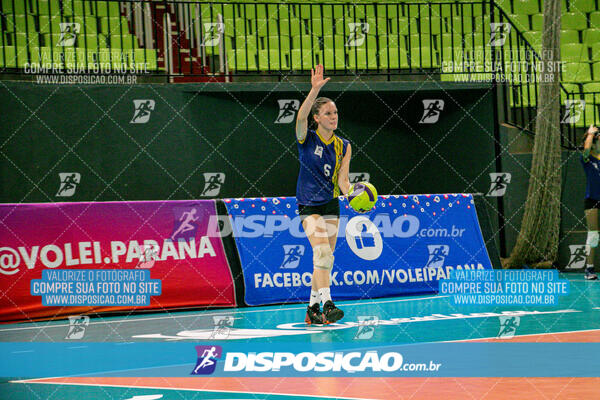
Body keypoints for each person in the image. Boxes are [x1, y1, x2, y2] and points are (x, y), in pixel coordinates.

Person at [295, 64, 352, 324]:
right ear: (317, 118)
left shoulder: (344, 146)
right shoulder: (306, 138)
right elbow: (300, 118)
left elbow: (343, 181)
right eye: (328, 113)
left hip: (331, 204)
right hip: (308, 205)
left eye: (336, 112)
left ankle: (312, 310)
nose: (334, 116)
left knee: (326, 259)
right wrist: (314, 90)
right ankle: (328, 304)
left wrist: (356, 196)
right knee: (321, 253)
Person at [581, 124, 600, 280]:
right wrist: (590, 134)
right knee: (593, 236)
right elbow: (586, 150)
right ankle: (589, 269)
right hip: (592, 200)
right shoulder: (587, 159)